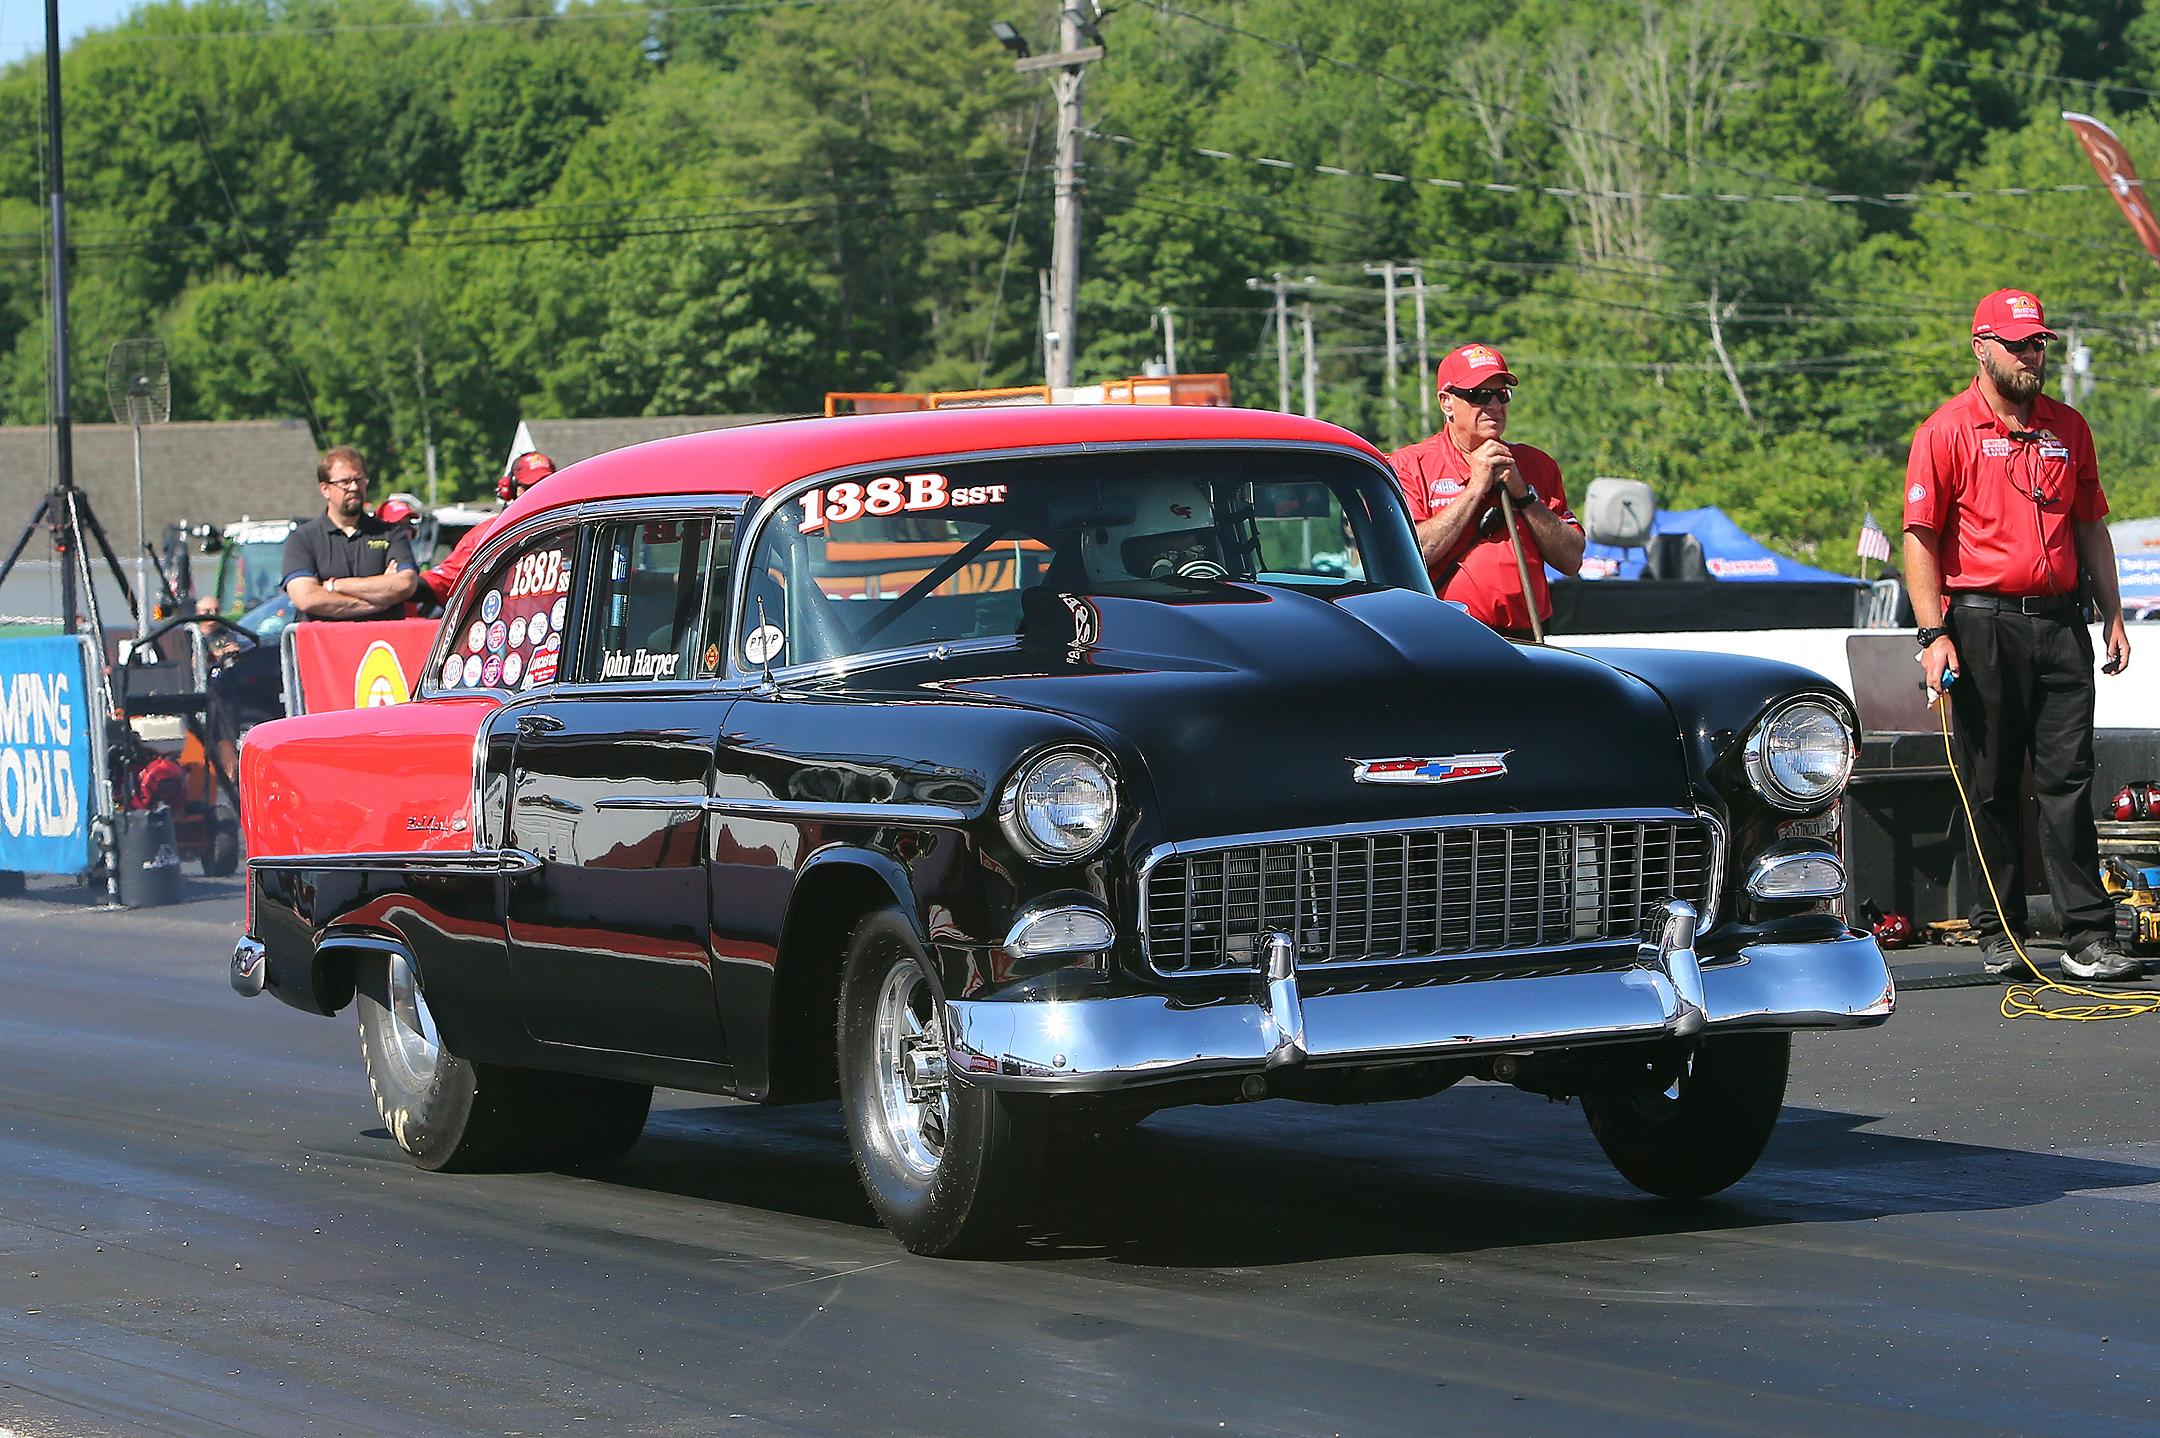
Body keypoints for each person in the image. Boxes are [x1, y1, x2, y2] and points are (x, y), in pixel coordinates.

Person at [1904, 288, 2138, 982]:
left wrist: (2113, 612)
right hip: (1982, 621)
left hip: (2062, 621)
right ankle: (1999, 928)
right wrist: (1932, 634)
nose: (2031, 356)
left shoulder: (2069, 426)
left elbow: (2090, 525)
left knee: (2070, 779)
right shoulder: (1944, 430)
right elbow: (1920, 538)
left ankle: (2088, 936)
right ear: (1982, 348)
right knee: (1992, 782)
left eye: (2038, 343)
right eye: (2017, 345)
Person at [1389, 343, 1585, 638]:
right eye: (1479, 395)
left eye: (1501, 394)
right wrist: (1475, 488)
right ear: (1446, 403)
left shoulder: (1537, 465)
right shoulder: (1409, 464)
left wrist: (1524, 495)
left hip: (1527, 636)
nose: (1494, 405)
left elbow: (1571, 560)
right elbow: (1406, 557)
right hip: (1445, 636)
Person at [282, 446, 419, 621]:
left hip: (380, 638)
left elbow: (405, 584)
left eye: (359, 480)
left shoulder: (391, 533)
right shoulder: (303, 539)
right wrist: (377, 601)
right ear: (325, 489)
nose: (354, 487)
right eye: (345, 482)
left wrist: (335, 585)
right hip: (324, 638)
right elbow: (307, 598)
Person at [418, 451, 555, 610]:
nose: (540, 492)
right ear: (510, 489)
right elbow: (440, 582)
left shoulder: (572, 528)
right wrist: (403, 583)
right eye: (531, 487)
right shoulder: (488, 534)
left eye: (547, 486)